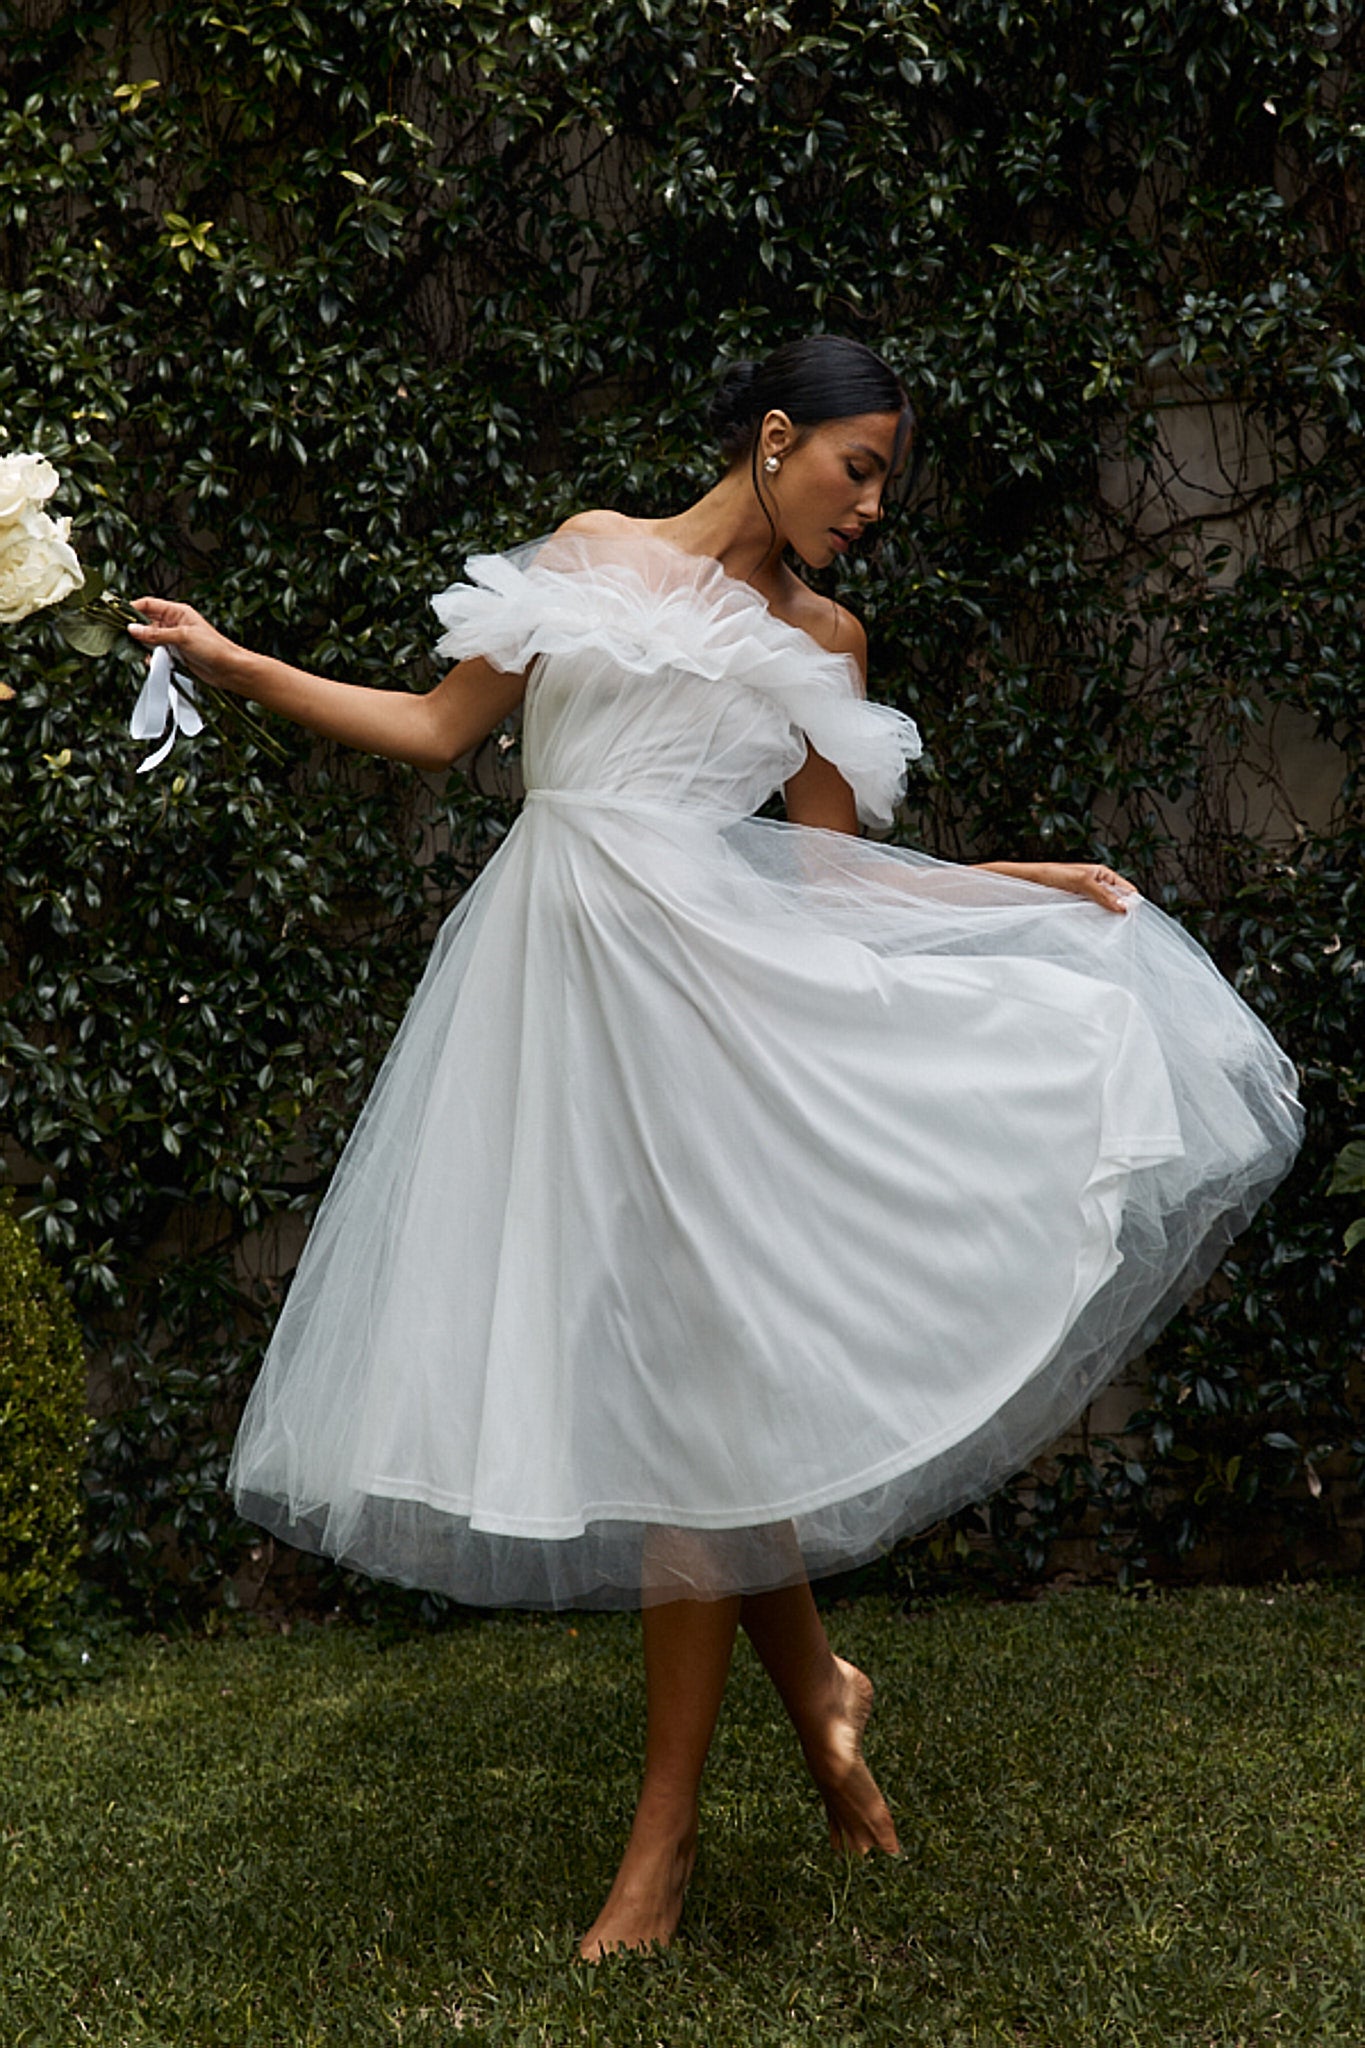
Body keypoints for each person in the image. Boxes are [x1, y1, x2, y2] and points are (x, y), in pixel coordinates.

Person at [128, 335, 1302, 1960]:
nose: (871, 505)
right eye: (857, 466)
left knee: (691, 1402)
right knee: (698, 1393)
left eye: (886, 481)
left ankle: (661, 1851)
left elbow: (821, 881)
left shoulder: (823, 639)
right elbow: (434, 728)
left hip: (711, 1028)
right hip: (551, 1011)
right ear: (773, 437)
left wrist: (1010, 885)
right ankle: (818, 1689)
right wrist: (233, 660)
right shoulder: (592, 554)